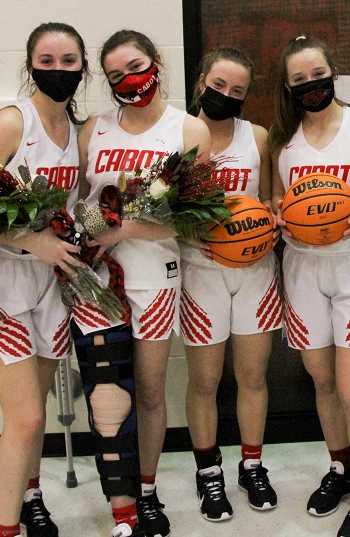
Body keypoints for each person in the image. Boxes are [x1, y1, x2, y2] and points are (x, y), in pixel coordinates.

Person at [79, 29, 211, 537]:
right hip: (96, 282)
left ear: (156, 62)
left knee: (152, 392)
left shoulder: (188, 129)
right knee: (108, 394)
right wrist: (90, 235)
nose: (129, 80)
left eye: (135, 66)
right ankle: (121, 501)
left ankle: (148, 490)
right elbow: (74, 207)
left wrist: (126, 229)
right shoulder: (94, 129)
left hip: (156, 277)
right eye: (115, 76)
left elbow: (197, 218)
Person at [0, 22, 89, 537]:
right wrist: (32, 241)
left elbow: (71, 207)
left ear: (82, 67)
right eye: (47, 60)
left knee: (34, 411)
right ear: (30, 65)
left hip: (49, 286)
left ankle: (31, 495)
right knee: (25, 420)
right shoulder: (15, 122)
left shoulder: (75, 129)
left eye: (68, 61)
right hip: (2, 286)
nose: (57, 70)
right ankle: (6, 527)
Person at [271, 35, 350, 537]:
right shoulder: (283, 140)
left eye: (317, 74)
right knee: (322, 381)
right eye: (299, 79)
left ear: (333, 72)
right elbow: (278, 198)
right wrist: (280, 213)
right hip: (302, 267)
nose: (310, 84)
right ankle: (341, 468)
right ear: (288, 87)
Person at [177, 47, 283, 522]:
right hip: (200, 274)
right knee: (204, 380)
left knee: (253, 377)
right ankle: (208, 472)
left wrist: (274, 220)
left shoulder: (256, 136)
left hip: (256, 273)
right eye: (218, 85)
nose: (225, 96)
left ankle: (252, 464)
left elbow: (269, 199)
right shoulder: (177, 134)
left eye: (237, 91)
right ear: (200, 81)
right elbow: (161, 206)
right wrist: (187, 229)